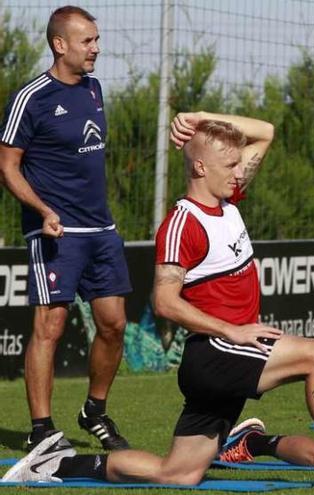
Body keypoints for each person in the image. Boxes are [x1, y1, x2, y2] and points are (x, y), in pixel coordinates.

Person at [1, 112, 314, 492]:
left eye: (240, 164)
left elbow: (266, 132)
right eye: (230, 166)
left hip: (225, 356)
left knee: (178, 473)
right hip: (217, 353)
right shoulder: (183, 222)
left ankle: (59, 465)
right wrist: (231, 329)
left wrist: (201, 118)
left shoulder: (228, 202)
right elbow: (164, 301)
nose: (239, 173)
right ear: (200, 167)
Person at [0, 6, 130, 451]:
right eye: (87, 41)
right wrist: (43, 210)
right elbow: (8, 166)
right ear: (60, 45)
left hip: (102, 229)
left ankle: (94, 410)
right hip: (55, 232)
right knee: (49, 326)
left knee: (113, 325)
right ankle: (41, 431)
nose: (96, 48)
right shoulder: (30, 97)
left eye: (96, 39)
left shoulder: (94, 89)